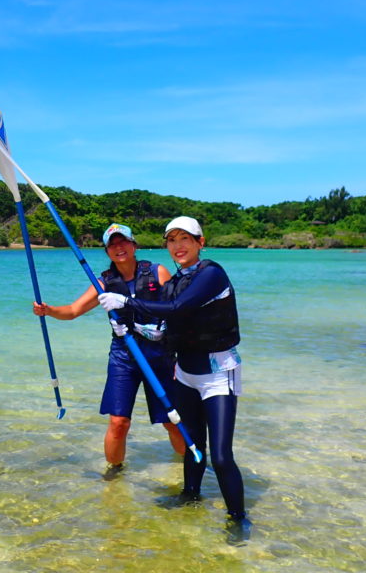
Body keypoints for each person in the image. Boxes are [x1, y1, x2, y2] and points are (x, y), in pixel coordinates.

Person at [97, 215, 251, 543]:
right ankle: (190, 495)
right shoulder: (177, 279)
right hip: (185, 373)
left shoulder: (211, 274)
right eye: (172, 240)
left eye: (186, 239)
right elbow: (157, 312)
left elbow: (180, 307)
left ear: (200, 242)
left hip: (217, 373)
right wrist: (130, 324)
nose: (178, 246)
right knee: (194, 445)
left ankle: (238, 519)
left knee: (221, 456)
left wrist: (126, 301)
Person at [33, 223, 187, 479]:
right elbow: (72, 311)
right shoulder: (104, 282)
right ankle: (113, 478)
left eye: (123, 242)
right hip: (123, 357)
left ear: (134, 245)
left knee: (171, 420)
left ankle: (188, 467)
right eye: (113, 245)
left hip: (159, 356)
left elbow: (178, 310)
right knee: (118, 422)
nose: (119, 248)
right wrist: (48, 310)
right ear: (107, 251)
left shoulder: (157, 272)